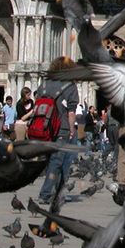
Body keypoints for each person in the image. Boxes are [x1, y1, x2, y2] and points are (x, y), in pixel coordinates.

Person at [36, 57, 80, 204]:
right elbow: (71, 112)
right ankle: (45, 194)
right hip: (62, 128)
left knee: (52, 161)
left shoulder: (44, 84)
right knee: (57, 161)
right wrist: (72, 128)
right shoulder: (70, 86)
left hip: (44, 129)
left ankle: (58, 192)